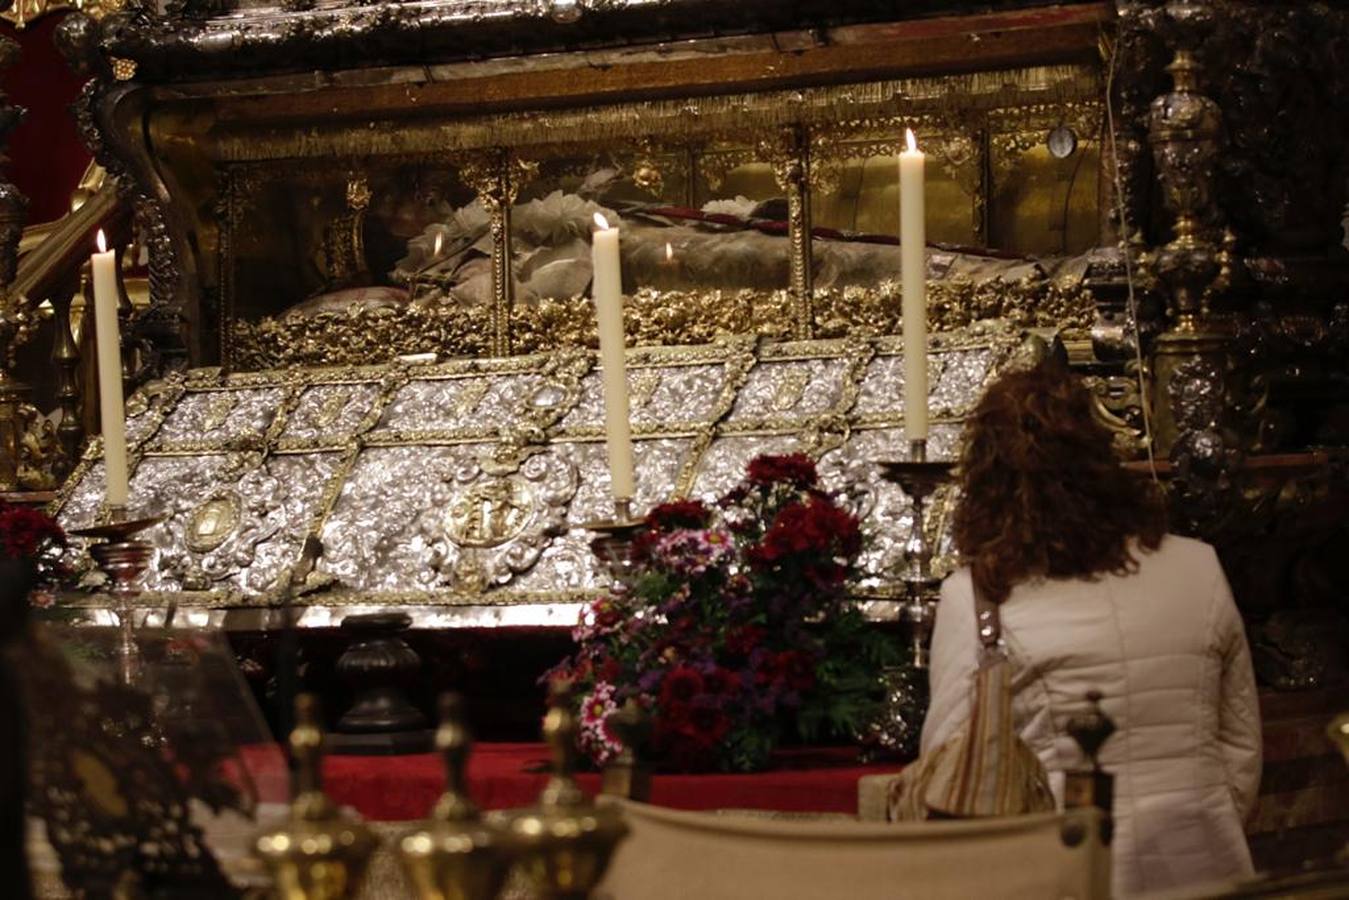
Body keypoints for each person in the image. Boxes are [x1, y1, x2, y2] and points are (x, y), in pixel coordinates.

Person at [921, 363, 1261, 898]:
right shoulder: (1199, 567)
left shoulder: (978, 597)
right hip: (1203, 856)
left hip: (1064, 866)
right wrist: (1207, 816)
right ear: (1104, 459)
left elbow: (949, 761)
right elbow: (1240, 739)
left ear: (986, 481)